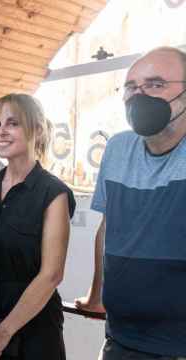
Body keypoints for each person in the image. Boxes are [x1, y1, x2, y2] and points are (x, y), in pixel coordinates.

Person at [75, 46, 186, 359]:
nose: (139, 95)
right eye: (131, 86)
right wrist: (97, 295)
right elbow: (108, 228)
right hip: (120, 340)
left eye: (155, 84)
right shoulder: (118, 148)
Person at [0, 94, 75, 360]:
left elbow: (51, 275)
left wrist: (5, 331)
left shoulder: (53, 193)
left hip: (34, 335)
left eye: (12, 123)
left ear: (36, 129)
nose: (0, 131)